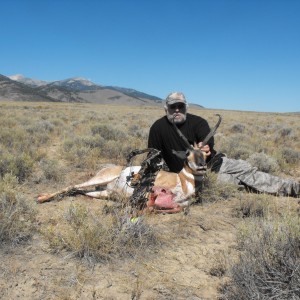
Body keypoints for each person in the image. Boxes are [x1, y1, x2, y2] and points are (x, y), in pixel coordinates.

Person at [148, 92, 299, 198]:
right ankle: (251, 186)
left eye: (180, 106)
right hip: (193, 178)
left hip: (216, 162)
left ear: (186, 107)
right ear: (166, 108)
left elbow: (207, 143)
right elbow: (153, 158)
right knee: (233, 183)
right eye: (173, 106)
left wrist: (205, 148)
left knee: (247, 171)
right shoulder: (157, 128)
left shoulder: (198, 122)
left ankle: (293, 188)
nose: (177, 110)